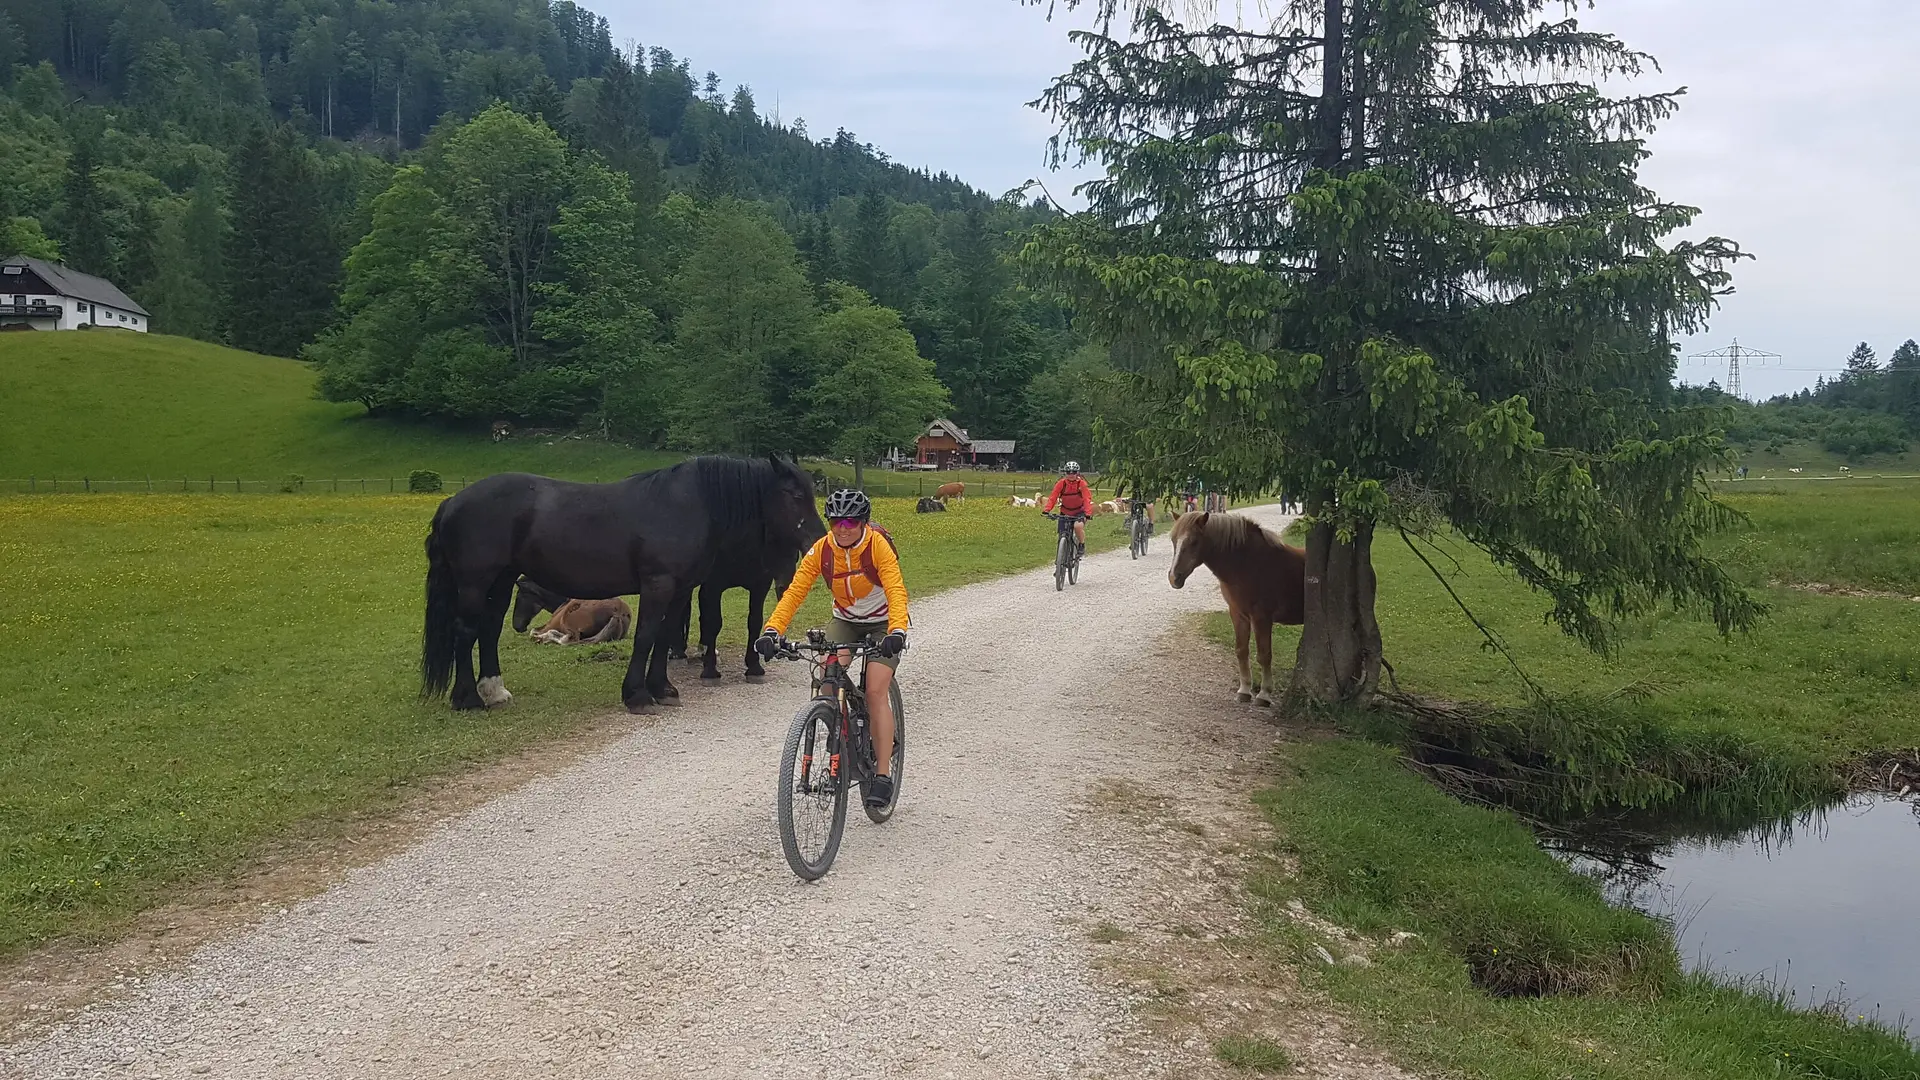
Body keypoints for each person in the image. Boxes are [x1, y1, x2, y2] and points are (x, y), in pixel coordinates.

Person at [756, 489, 908, 809]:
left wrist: (897, 630)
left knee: (876, 690)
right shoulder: (822, 550)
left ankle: (881, 774)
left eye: (851, 521)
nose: (843, 527)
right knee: (828, 680)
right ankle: (841, 731)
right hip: (847, 619)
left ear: (863, 522)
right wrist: (772, 630)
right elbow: (795, 592)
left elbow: (895, 588)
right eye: (836, 520)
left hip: (883, 624)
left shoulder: (876, 545)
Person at [1041, 461, 1095, 558]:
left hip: (1079, 511)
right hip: (1065, 511)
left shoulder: (1081, 484)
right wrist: (1047, 510)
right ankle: (1059, 561)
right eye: (1068, 472)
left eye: (1073, 472)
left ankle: (1081, 545)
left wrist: (1087, 513)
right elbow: (1053, 497)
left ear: (1077, 473)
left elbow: (1087, 499)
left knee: (1078, 527)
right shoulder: (1061, 483)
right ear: (1065, 473)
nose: (1071, 475)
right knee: (1062, 533)